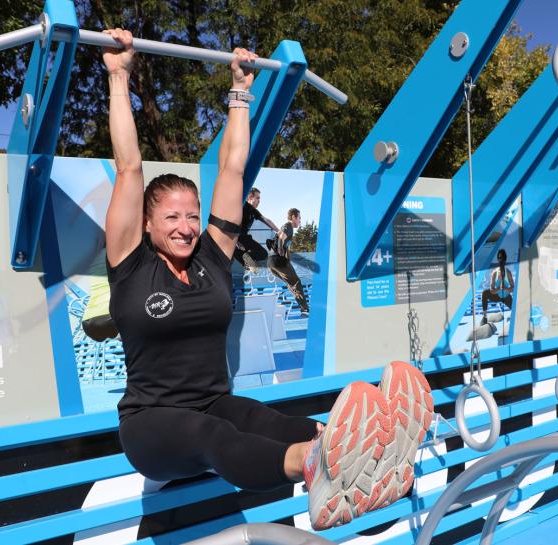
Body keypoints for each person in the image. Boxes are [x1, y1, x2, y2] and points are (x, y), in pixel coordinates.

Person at [100, 29, 433, 530]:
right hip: (152, 426)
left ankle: (370, 451)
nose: (187, 227)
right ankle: (318, 465)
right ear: (146, 225)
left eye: (192, 215)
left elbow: (233, 169)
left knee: (271, 421)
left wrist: (240, 90)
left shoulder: (212, 258)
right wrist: (119, 76)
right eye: (171, 218)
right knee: (212, 434)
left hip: (216, 402)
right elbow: (130, 167)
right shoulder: (130, 266)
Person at [267, 208, 309, 314]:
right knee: (296, 282)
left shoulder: (289, 228)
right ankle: (304, 308)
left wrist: (286, 255)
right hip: (277, 260)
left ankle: (303, 307)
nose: (300, 220)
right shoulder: (288, 226)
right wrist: (281, 250)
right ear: (293, 217)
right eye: (299, 218)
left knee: (292, 284)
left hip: (272, 262)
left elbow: (282, 241)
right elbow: (281, 238)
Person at [235, 187, 280, 273]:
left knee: (263, 254)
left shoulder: (254, 211)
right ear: (250, 197)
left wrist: (279, 231)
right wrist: (235, 239)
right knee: (239, 251)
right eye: (257, 198)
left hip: (245, 237)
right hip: (237, 236)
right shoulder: (243, 206)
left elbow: (266, 220)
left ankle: (246, 260)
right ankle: (244, 259)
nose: (259, 201)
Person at [480, 248, 514, 326]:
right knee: (484, 293)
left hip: (506, 296)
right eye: (499, 258)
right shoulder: (494, 273)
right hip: (497, 295)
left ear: (505, 259)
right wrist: (499, 289)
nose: (500, 260)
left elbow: (512, 288)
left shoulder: (508, 273)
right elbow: (492, 290)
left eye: (501, 258)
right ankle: (485, 317)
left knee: (516, 310)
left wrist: (505, 289)